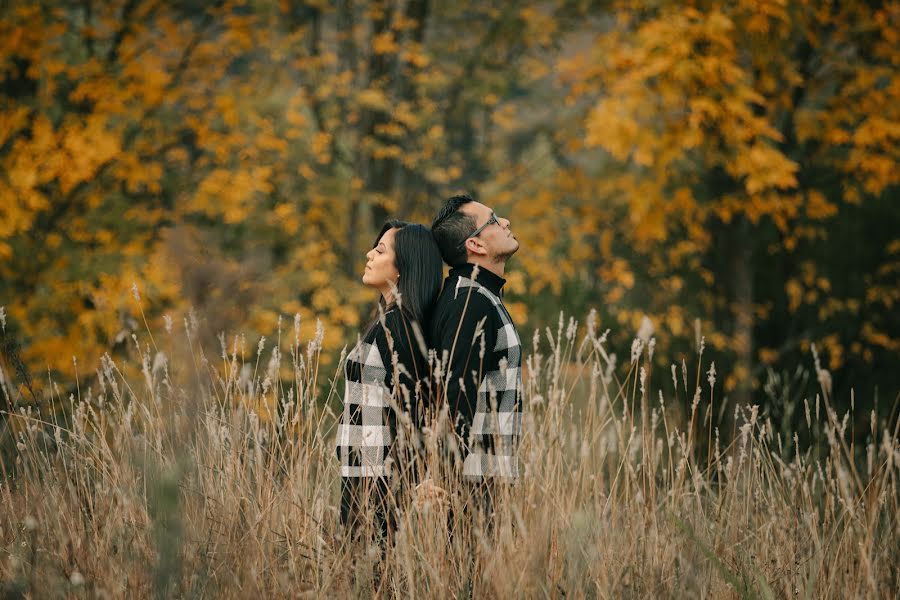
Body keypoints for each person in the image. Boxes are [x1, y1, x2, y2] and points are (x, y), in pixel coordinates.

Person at [335, 220, 443, 543]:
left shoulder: (398, 329)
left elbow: (403, 421)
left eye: (380, 250)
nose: (369, 254)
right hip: (366, 485)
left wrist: (378, 501)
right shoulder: (393, 323)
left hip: (376, 492)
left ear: (402, 268)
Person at [429, 193, 523, 523]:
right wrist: (450, 487)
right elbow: (456, 398)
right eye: (494, 220)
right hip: (472, 491)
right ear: (476, 245)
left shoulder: (476, 295)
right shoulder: (470, 301)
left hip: (483, 485)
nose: (506, 222)